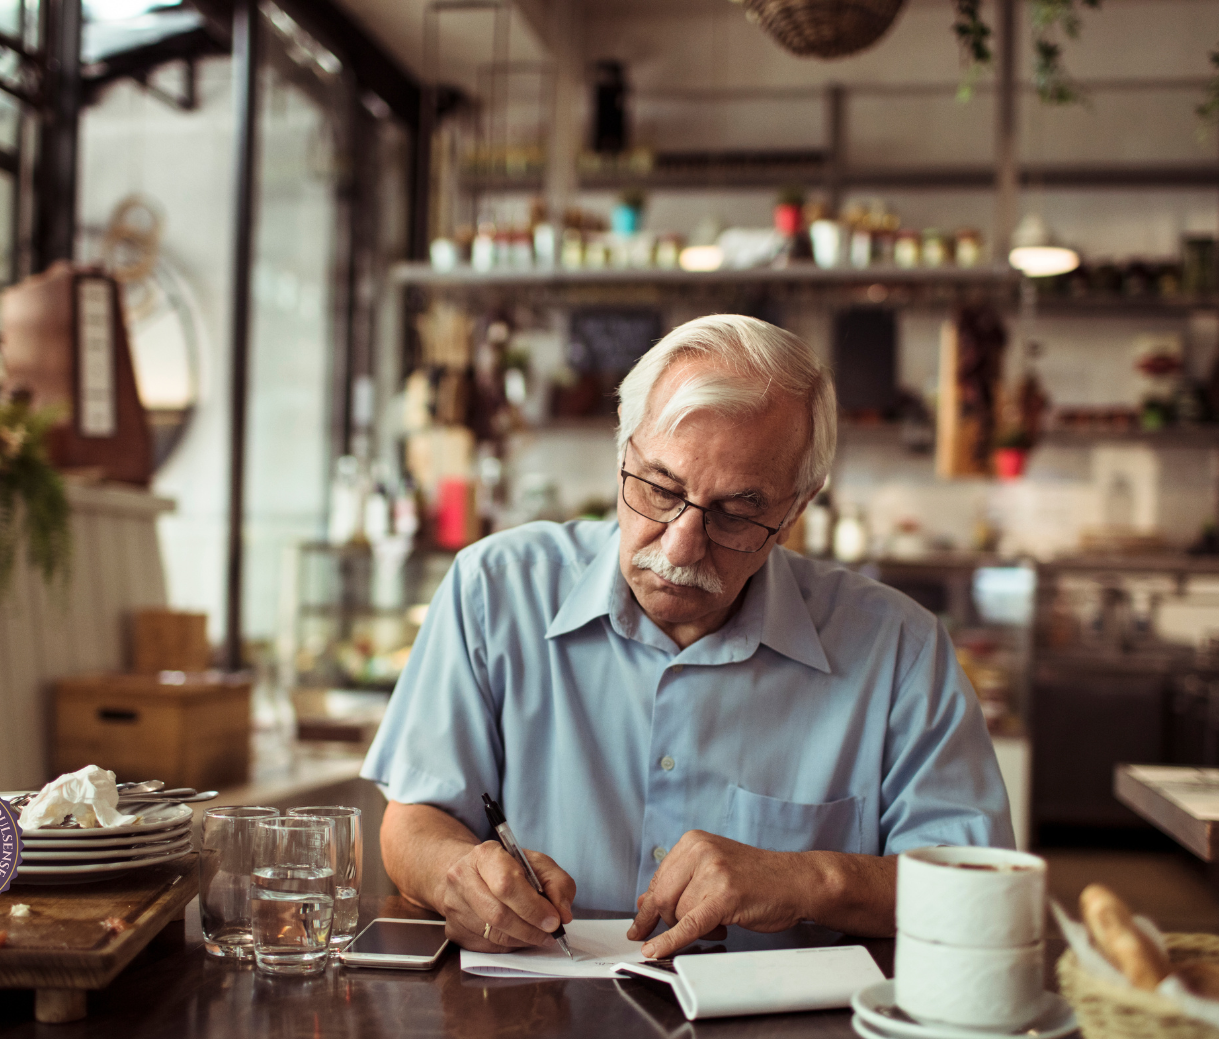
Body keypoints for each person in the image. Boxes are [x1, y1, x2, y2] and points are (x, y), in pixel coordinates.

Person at [361, 313, 1012, 960]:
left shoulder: (896, 648)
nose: (680, 544)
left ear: (794, 509)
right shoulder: (494, 589)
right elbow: (412, 821)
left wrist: (812, 878)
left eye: (736, 512)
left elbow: (981, 892)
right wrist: (459, 873)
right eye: (658, 488)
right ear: (622, 452)